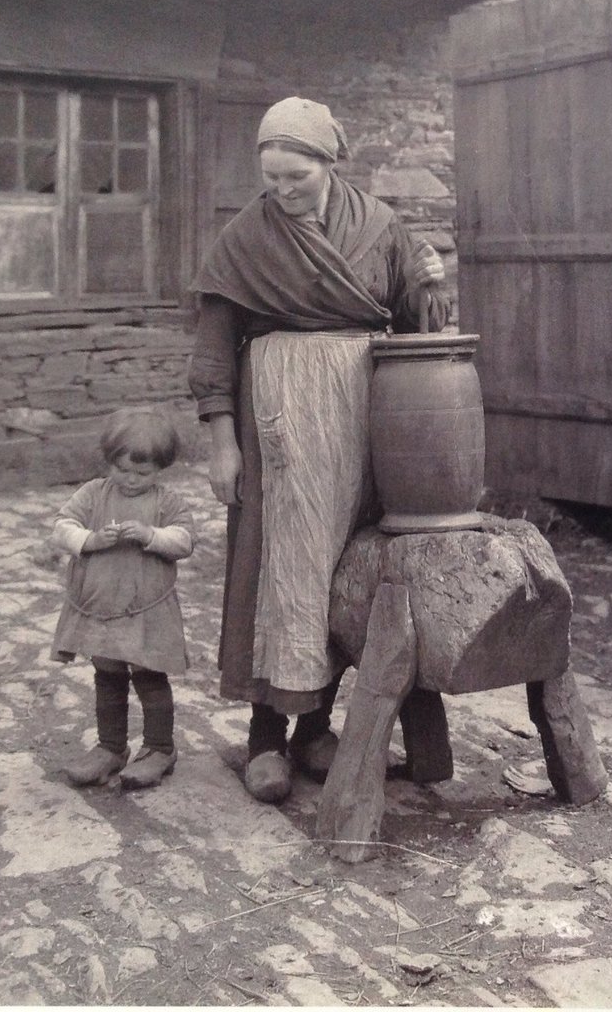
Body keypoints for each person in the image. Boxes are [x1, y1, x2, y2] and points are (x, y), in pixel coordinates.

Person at [189, 95, 450, 804]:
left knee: (347, 568)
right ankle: (267, 736)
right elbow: (215, 349)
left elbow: (414, 324)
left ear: (328, 164)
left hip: (363, 410)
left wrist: (429, 283)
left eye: (295, 178)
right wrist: (223, 445)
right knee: (283, 566)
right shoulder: (246, 239)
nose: (281, 191)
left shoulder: (378, 226)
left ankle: (316, 729)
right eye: (270, 178)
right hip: (279, 415)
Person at [50, 408, 195, 790]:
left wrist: (151, 535)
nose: (130, 480)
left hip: (147, 610)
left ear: (160, 469)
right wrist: (89, 540)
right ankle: (111, 748)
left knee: (149, 677)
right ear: (110, 461)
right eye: (122, 469)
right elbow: (61, 528)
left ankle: (160, 748)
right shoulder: (93, 494)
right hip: (103, 608)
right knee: (108, 676)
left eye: (141, 473)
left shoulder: (167, 501)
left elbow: (184, 540)